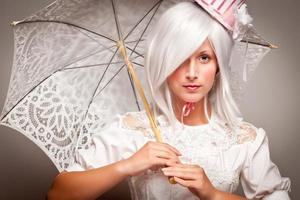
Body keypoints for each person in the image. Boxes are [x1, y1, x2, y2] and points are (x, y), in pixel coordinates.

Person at [47, 1, 291, 200]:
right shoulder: (134, 129)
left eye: (204, 57)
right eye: (181, 57)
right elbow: (57, 194)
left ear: (218, 66)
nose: (192, 72)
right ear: (164, 62)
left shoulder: (245, 138)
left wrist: (213, 195)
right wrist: (128, 165)